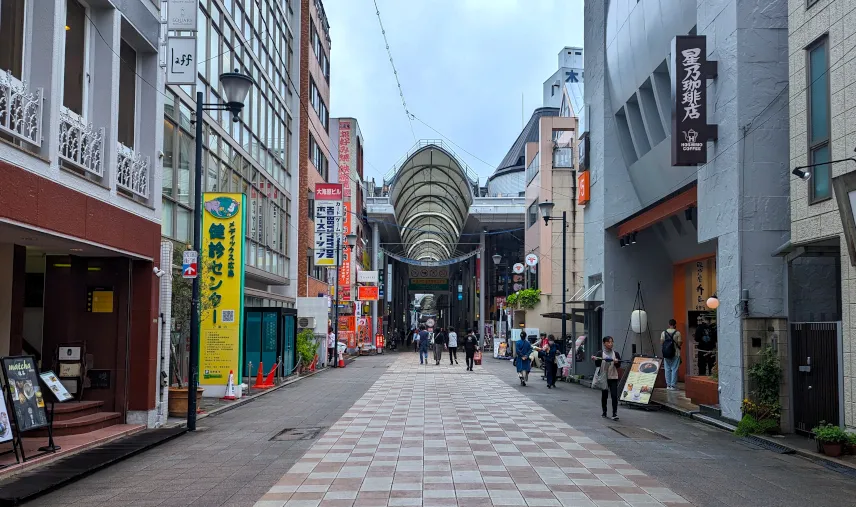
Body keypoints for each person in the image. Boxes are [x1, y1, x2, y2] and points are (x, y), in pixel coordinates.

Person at [593, 336, 621, 421]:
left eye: (612, 342)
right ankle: (604, 411)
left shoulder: (616, 354)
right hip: (604, 377)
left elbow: (619, 365)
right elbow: (597, 365)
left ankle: (614, 413)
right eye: (608, 342)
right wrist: (596, 359)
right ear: (604, 343)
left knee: (614, 395)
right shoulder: (600, 353)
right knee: (604, 395)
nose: (610, 344)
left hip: (613, 376)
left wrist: (616, 362)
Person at [660, 319, 683, 390]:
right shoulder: (678, 333)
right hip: (675, 353)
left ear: (668, 324)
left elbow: (661, 343)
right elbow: (679, 343)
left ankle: (668, 385)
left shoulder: (663, 333)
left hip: (666, 354)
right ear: (675, 324)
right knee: (674, 369)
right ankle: (673, 386)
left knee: (667, 369)